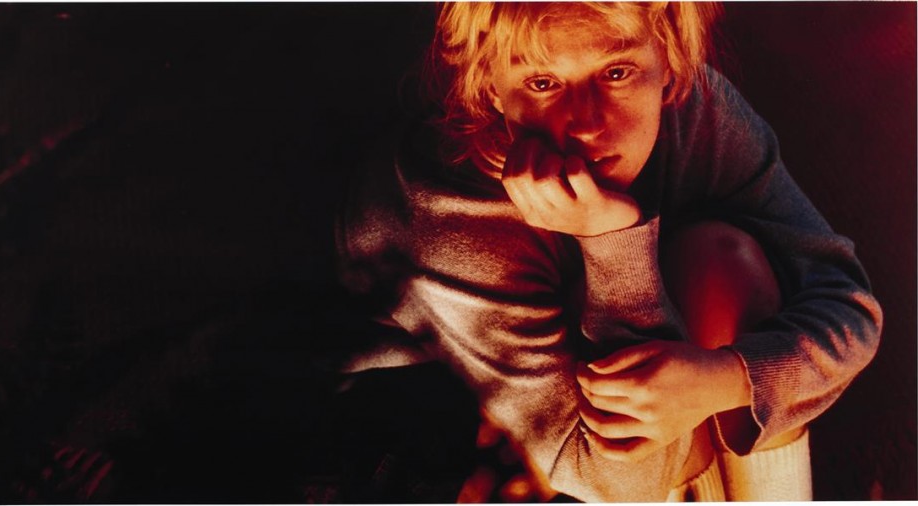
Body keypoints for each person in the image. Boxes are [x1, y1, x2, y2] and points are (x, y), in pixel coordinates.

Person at [335, 2, 882, 502]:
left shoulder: (697, 110)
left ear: (669, 61)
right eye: (543, 82)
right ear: (491, 89)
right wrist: (611, 239)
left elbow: (848, 306)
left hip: (631, 406)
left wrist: (726, 379)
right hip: (464, 425)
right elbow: (621, 485)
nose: (588, 123)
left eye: (617, 72)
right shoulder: (452, 214)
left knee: (720, 261)